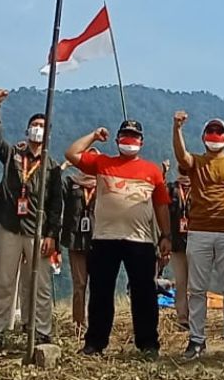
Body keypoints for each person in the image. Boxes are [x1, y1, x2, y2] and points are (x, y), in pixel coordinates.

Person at [66, 121, 171, 357]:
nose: (129, 140)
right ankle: (95, 343)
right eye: (124, 136)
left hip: (141, 240)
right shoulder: (103, 163)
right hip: (104, 239)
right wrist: (93, 135)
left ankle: (148, 345)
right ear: (117, 140)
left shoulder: (152, 171)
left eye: (134, 137)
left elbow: (161, 205)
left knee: (144, 294)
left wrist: (166, 235)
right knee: (101, 293)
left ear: (142, 142)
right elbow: (71, 153)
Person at [172, 112, 224, 361]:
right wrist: (176, 128)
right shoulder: (196, 162)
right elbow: (181, 156)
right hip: (198, 232)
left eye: (219, 132)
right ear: (203, 137)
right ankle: (197, 340)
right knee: (197, 288)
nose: (215, 136)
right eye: (211, 132)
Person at [0, 89, 63, 347]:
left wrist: (52, 235)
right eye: (34, 125)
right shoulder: (13, 156)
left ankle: (41, 329)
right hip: (9, 227)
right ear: (27, 130)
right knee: (4, 281)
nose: (37, 129)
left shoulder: (51, 166)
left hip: (37, 231)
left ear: (47, 133)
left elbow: (55, 205)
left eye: (42, 126)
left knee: (39, 283)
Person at [60, 149, 99, 337]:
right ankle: (78, 324)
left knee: (97, 284)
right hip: (75, 240)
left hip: (97, 241)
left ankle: (97, 324)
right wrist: (63, 167)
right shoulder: (71, 183)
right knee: (80, 284)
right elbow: (52, 187)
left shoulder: (103, 185)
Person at [166, 167, 192, 331]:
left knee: (197, 283)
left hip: (197, 242)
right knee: (181, 281)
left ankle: (196, 316)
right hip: (177, 243)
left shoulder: (199, 188)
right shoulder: (171, 188)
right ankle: (182, 318)